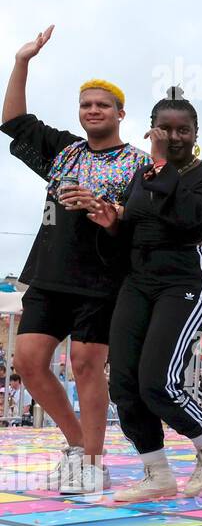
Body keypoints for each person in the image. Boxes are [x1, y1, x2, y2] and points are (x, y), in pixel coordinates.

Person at [1, 24, 151, 493]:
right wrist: (23, 60)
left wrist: (109, 213)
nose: (92, 110)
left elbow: (144, 221)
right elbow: (12, 120)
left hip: (103, 278)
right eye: (86, 104)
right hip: (49, 273)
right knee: (27, 360)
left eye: (102, 104)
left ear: (120, 113)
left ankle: (91, 461)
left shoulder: (140, 163)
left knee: (87, 363)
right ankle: (75, 444)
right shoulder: (63, 151)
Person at [86, 88, 202, 502]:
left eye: (182, 130)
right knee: (126, 385)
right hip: (139, 279)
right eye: (165, 129)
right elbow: (134, 229)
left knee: (159, 382)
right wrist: (112, 223)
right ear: (152, 130)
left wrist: (162, 165)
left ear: (195, 133)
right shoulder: (141, 176)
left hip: (186, 277)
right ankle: (157, 473)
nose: (174, 136)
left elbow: (190, 218)